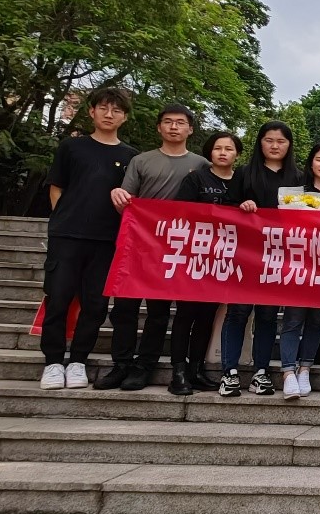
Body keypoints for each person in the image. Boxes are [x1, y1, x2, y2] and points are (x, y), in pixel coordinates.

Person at [38, 86, 137, 390]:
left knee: (96, 304)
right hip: (67, 234)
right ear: (92, 111)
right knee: (59, 298)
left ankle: (79, 360)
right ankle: (53, 362)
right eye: (103, 108)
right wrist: (63, 217)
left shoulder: (131, 156)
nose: (109, 115)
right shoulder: (72, 147)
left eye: (116, 110)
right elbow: (57, 186)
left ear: (124, 117)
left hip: (107, 240)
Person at [98, 104, 201, 390]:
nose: (174, 127)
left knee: (158, 311)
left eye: (180, 123)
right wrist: (119, 196)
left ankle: (144, 366)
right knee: (125, 307)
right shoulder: (141, 161)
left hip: (175, 248)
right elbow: (128, 201)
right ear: (159, 127)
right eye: (168, 122)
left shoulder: (201, 164)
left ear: (189, 129)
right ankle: (121, 364)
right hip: (140, 244)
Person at [218, 121, 302, 398]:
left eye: (280, 141)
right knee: (238, 312)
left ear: (289, 145)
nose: (275, 145)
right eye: (269, 140)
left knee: (267, 315)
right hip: (245, 253)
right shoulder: (244, 174)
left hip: (277, 256)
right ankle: (229, 372)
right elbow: (226, 209)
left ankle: (261, 372)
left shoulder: (298, 179)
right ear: (260, 143)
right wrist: (241, 207)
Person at [167, 131, 241, 395]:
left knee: (207, 316)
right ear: (210, 152)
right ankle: (178, 371)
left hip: (222, 258)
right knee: (185, 314)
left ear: (237, 154)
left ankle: (197, 370)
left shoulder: (241, 181)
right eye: (218, 148)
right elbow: (180, 212)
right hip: (194, 255)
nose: (223, 152)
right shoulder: (196, 178)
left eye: (229, 148)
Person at [279, 142, 320, 400]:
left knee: (317, 320)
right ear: (311, 162)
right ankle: (287, 372)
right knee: (293, 319)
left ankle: (305, 368)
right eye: (319, 159)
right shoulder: (295, 194)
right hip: (298, 265)